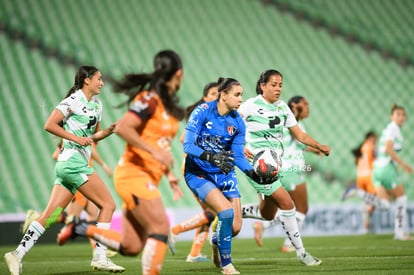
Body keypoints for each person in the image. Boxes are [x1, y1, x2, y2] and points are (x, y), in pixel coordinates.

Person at [54, 50, 186, 275]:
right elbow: (125, 128)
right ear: (179, 74)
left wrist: (169, 175)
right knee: (160, 228)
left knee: (131, 246)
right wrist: (156, 152)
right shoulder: (149, 99)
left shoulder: (166, 104)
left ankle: (79, 227)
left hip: (147, 175)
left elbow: (158, 144)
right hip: (133, 175)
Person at [3, 66, 124, 275]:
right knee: (108, 205)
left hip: (68, 166)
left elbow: (93, 137)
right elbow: (49, 125)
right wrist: (76, 139)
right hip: (73, 163)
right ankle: (100, 257)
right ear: (87, 80)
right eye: (99, 79)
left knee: (51, 215)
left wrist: (110, 131)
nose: (102, 83)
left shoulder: (96, 104)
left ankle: (16, 254)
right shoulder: (73, 101)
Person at [183, 77, 277, 274]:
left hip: (224, 173)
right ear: (223, 95)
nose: (241, 99)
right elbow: (188, 145)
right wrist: (212, 157)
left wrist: (253, 174)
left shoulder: (238, 123)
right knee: (225, 213)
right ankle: (227, 266)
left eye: (241, 94)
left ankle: (216, 239)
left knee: (234, 227)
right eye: (237, 94)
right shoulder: (202, 111)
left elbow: (237, 155)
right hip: (198, 173)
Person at [239, 69, 330, 266]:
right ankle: (301, 253)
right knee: (289, 205)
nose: (278, 88)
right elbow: (231, 126)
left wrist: (319, 145)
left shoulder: (282, 107)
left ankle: (231, 211)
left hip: (275, 165)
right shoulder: (250, 106)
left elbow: (300, 135)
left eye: (280, 85)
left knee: (267, 214)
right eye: (273, 84)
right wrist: (241, 146)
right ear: (263, 86)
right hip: (258, 165)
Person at [252, 95, 322, 251]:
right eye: (305, 104)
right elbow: (300, 140)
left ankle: (264, 225)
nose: (308, 107)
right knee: (301, 208)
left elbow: (297, 144)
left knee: (287, 208)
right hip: (290, 169)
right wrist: (319, 147)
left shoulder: (283, 120)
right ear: (295, 105)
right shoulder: (291, 122)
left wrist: (314, 149)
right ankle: (287, 242)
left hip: (281, 168)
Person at [168, 81, 219, 262]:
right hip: (195, 167)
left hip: (204, 168)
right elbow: (183, 139)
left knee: (209, 211)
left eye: (219, 93)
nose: (217, 96)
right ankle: (175, 231)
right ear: (205, 97)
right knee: (213, 211)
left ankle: (195, 253)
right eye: (213, 93)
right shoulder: (203, 113)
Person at [372, 104, 412, 240]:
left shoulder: (390, 128)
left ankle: (365, 197)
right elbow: (388, 148)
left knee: (386, 204)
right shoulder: (393, 129)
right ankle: (400, 233)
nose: (401, 117)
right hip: (386, 168)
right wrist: (403, 164)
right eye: (398, 114)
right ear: (391, 116)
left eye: (402, 115)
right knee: (401, 198)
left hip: (378, 168)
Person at [342, 131, 378, 233]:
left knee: (367, 201)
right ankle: (355, 193)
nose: (375, 140)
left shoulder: (360, 148)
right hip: (369, 176)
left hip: (360, 176)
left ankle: (366, 225)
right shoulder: (370, 147)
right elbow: (376, 159)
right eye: (374, 138)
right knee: (375, 198)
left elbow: (356, 162)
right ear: (369, 138)